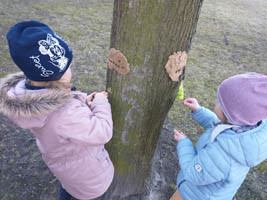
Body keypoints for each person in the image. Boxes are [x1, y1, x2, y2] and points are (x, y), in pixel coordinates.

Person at [0, 20, 114, 200]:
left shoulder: (28, 94)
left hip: (64, 168)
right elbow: (102, 131)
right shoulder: (64, 113)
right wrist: (100, 103)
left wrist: (84, 99)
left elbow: (66, 99)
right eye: (68, 66)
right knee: (81, 193)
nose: (71, 69)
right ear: (56, 73)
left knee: (69, 188)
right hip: (89, 178)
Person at [170, 73, 267, 200]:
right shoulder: (243, 129)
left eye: (220, 102)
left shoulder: (223, 154)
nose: (216, 101)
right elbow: (218, 125)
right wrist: (199, 111)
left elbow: (192, 173)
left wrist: (184, 142)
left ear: (230, 114)